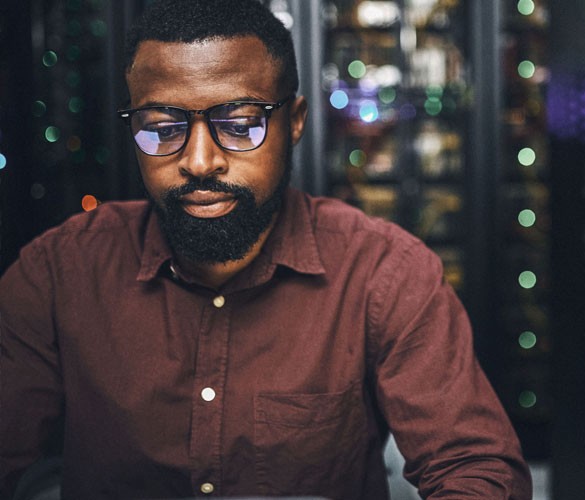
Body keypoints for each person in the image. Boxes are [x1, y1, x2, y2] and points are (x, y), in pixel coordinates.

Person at [0, 1, 532, 498]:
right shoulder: (58, 272)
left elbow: (476, 469)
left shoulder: (383, 271)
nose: (200, 162)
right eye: (162, 129)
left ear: (295, 122)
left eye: (240, 125)